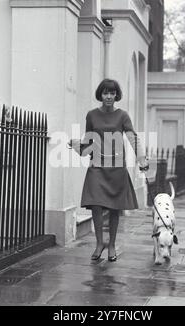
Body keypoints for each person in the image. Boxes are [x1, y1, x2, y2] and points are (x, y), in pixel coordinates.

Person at [70, 79, 148, 262]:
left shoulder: (123, 116)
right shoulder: (91, 116)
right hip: (96, 166)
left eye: (112, 93)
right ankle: (99, 243)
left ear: (116, 95)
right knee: (96, 205)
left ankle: (111, 244)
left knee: (114, 208)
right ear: (100, 94)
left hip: (116, 168)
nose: (109, 97)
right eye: (105, 93)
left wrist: (142, 160)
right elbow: (87, 142)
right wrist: (75, 145)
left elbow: (133, 139)